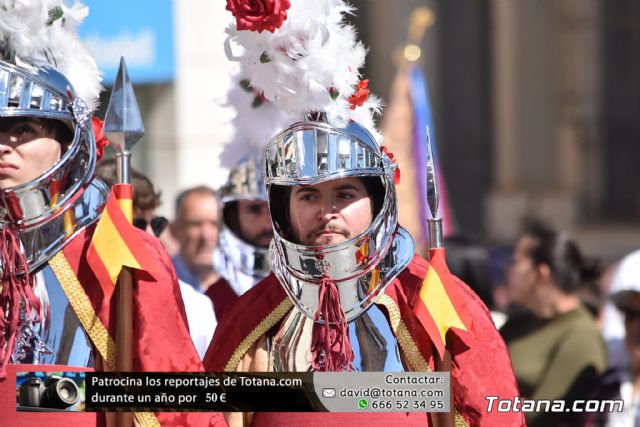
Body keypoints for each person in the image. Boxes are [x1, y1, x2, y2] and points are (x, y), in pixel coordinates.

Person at [204, 1, 523, 425]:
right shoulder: (252, 320)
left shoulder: (435, 304)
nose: (326, 212)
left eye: (344, 193)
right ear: (284, 210)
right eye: (308, 196)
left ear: (377, 200)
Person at [0, 2, 224, 426]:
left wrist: (38, 397)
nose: (6, 144)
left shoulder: (115, 248)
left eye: (25, 128)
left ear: (66, 142)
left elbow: (171, 402)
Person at [96, 158, 216, 359]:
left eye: (157, 225)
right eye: (138, 225)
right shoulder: (73, 294)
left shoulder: (193, 305)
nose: (151, 237)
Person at [500, 221, 607, 427]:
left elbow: (540, 413)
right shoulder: (517, 324)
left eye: (515, 263)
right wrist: (425, 394)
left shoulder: (581, 335)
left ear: (541, 274)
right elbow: (472, 372)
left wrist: (478, 402)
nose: (508, 272)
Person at [170, 185, 221, 291]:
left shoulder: (242, 285)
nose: (206, 235)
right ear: (174, 230)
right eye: (195, 224)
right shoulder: (160, 283)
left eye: (215, 224)